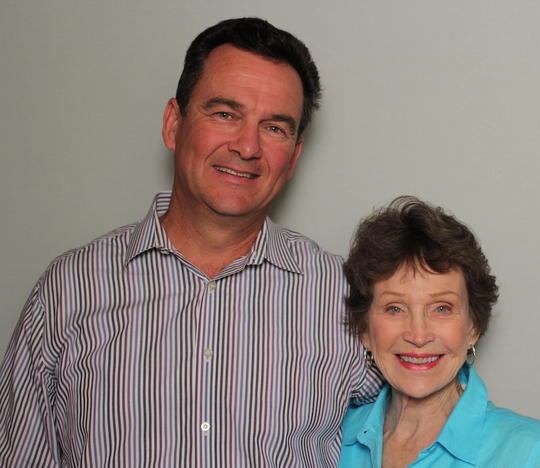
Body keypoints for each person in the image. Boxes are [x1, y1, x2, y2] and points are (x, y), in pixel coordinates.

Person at [0, 18, 380, 467]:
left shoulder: (342, 295)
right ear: (173, 125)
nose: (247, 146)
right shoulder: (69, 289)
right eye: (225, 114)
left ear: (293, 155)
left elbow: (430, 420)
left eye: (274, 127)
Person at [339, 196, 540, 467]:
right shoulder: (329, 437)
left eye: (441, 308)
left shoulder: (532, 454)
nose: (418, 336)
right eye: (395, 308)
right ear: (365, 330)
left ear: (473, 326)